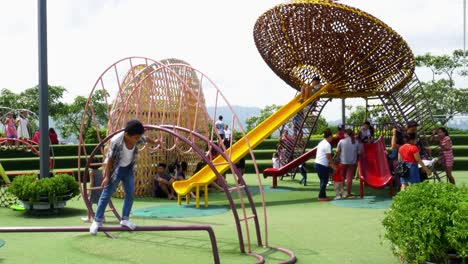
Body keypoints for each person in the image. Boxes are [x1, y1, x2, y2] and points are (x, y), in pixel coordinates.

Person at [89, 119, 158, 235]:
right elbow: (110, 160)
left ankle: (125, 219)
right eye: (135, 138)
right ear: (127, 135)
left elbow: (146, 139)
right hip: (115, 169)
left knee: (130, 193)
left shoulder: (137, 137)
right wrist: (106, 177)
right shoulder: (116, 141)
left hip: (128, 168)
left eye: (138, 137)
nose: (137, 140)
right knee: (107, 194)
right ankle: (97, 221)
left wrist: (155, 142)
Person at [336, 129, 361, 198]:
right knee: (349, 178)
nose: (343, 135)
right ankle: (348, 193)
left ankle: (340, 193)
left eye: (344, 134)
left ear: (346, 134)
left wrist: (340, 155)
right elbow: (359, 152)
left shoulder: (341, 141)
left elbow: (337, 151)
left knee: (342, 177)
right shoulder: (356, 142)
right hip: (352, 162)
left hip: (343, 161)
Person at [314, 130, 336, 201]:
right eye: (332, 136)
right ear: (329, 136)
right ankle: (321, 197)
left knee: (322, 181)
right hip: (321, 165)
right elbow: (328, 157)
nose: (332, 138)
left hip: (318, 163)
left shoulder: (321, 142)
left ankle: (323, 195)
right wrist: (333, 166)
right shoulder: (327, 144)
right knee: (324, 181)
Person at [82, 158, 104, 223]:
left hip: (94, 190)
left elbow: (91, 182)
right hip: (99, 189)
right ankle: (103, 217)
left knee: (89, 203)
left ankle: (89, 218)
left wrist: (89, 191)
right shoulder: (100, 171)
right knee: (99, 204)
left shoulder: (91, 172)